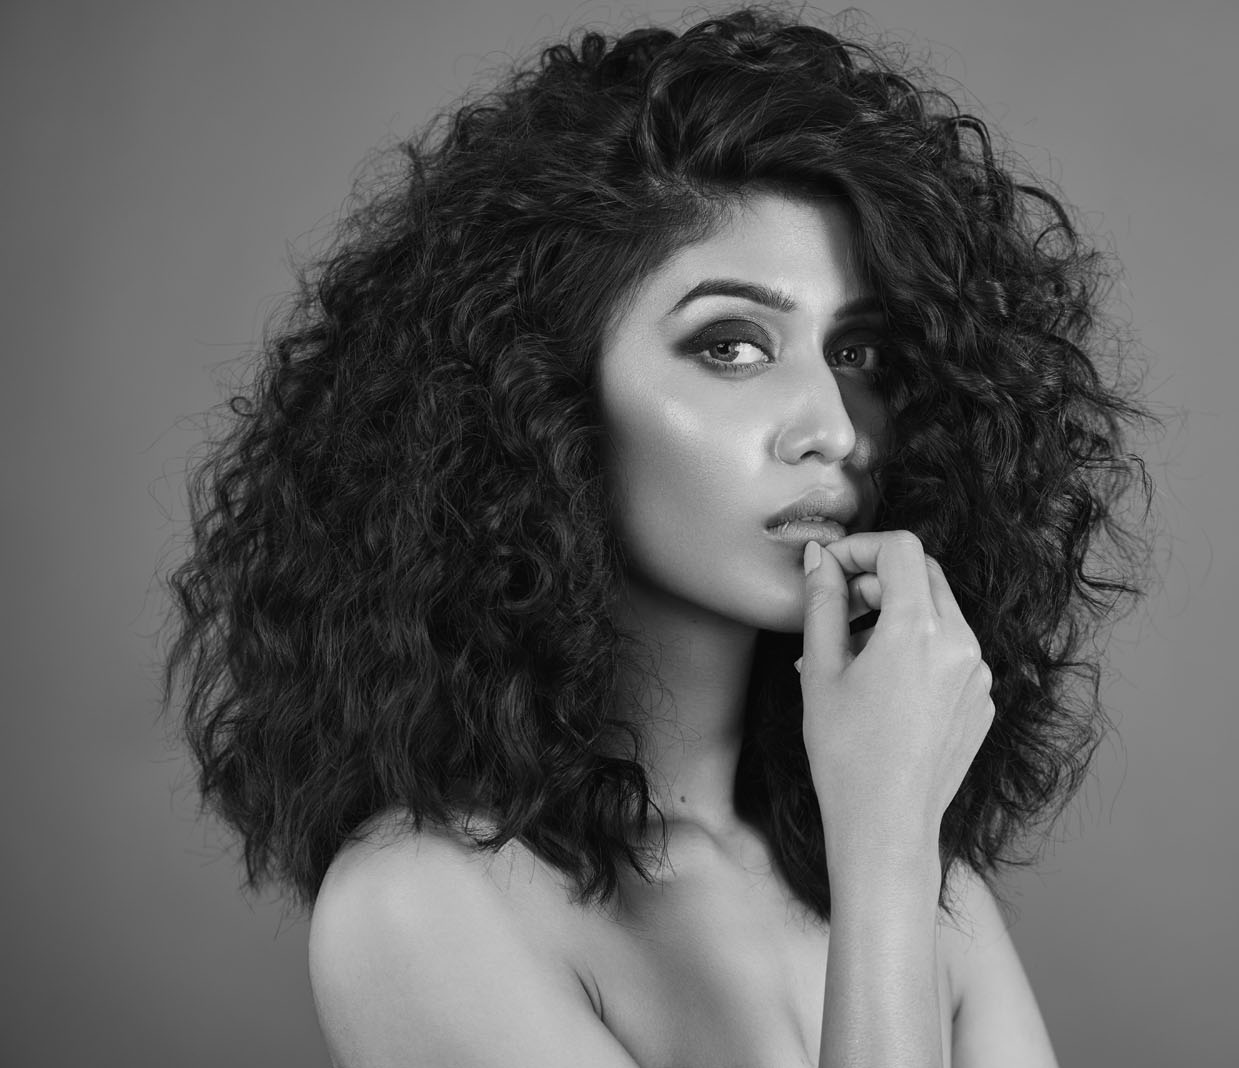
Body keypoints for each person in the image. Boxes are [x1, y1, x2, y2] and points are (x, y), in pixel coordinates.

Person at [162, 6, 1153, 1065]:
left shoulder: (915, 867)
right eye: (731, 346)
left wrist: (890, 839)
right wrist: (884, 854)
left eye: (857, 354)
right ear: (538, 399)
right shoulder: (422, 907)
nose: (834, 429)